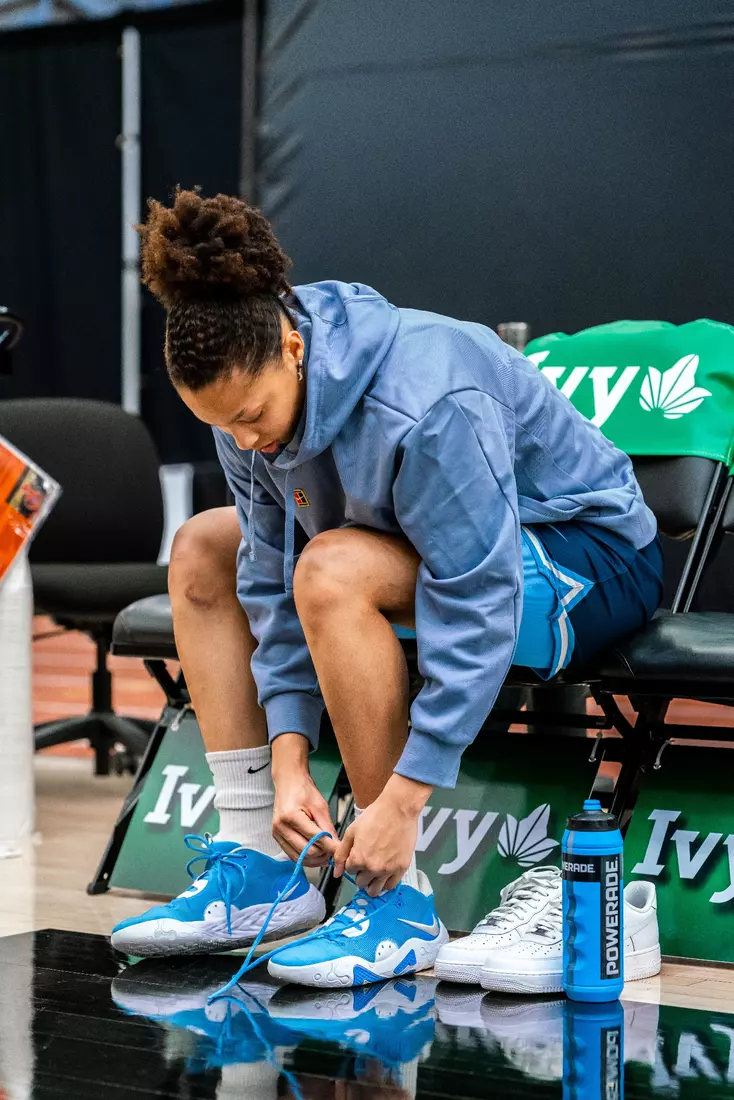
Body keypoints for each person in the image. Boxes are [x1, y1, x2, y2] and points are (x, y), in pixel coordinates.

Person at [111, 188, 663, 986]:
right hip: (406, 536)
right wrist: (290, 757)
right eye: (220, 424)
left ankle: (396, 902)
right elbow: (266, 580)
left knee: (331, 567)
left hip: (584, 552)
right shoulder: (246, 404)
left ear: (293, 348)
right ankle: (262, 859)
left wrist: (400, 805)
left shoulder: (431, 397)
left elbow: (478, 601)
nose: (245, 439)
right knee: (204, 547)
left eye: (252, 414)